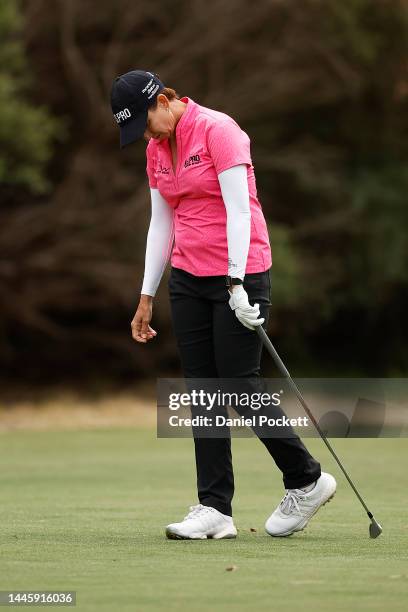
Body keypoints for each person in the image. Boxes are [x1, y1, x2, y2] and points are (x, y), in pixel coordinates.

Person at [110, 69, 336, 540]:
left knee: (236, 382)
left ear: (161, 101)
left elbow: (239, 209)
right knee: (203, 390)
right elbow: (160, 224)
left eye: (145, 123)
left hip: (242, 269)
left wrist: (236, 282)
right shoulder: (156, 150)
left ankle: (307, 478)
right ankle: (215, 508)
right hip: (189, 277)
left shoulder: (220, 130)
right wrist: (146, 294)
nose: (146, 136)